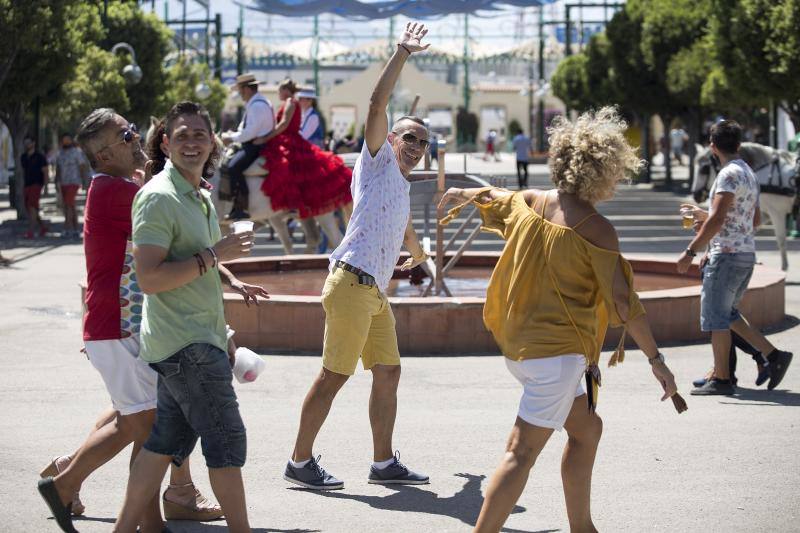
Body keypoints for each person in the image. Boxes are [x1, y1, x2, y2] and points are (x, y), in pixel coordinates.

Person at [438, 107, 683, 533]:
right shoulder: (597, 228)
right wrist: (656, 360)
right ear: (607, 171)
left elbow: (495, 199)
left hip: (524, 348)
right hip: (557, 357)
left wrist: (461, 193)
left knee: (587, 430)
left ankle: (582, 527)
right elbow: (623, 302)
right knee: (520, 453)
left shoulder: (534, 200)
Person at [36, 109, 224, 533]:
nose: (135, 137)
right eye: (125, 135)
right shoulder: (116, 192)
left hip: (125, 323)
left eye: (133, 129)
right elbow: (175, 226)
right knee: (144, 422)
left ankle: (141, 516)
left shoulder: (122, 187)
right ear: (103, 155)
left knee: (143, 419)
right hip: (117, 324)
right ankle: (66, 485)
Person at [282, 22, 431, 491]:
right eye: (409, 138)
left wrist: (417, 258)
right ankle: (299, 461)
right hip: (351, 283)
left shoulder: (402, 186)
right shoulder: (375, 161)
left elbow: (402, 228)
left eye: (422, 143)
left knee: (388, 371)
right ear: (390, 139)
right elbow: (376, 104)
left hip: (375, 290)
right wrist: (403, 53)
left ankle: (384, 462)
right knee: (333, 376)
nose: (415, 147)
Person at [115, 101, 266, 533]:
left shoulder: (196, 194)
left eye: (199, 134)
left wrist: (230, 277)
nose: (192, 142)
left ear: (213, 142)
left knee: (165, 442)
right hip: (188, 345)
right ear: (165, 143)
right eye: (181, 135)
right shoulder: (159, 197)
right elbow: (150, 277)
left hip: (190, 340)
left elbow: (195, 258)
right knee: (226, 441)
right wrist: (215, 254)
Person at [677, 120, 793, 395]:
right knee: (727, 315)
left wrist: (690, 251)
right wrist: (708, 218)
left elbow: (718, 219)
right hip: (744, 254)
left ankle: (723, 379)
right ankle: (772, 356)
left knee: (716, 318)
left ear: (712, 147)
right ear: (738, 144)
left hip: (726, 256)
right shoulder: (748, 173)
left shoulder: (728, 175)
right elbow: (751, 220)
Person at [255, 78, 352, 220]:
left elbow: (283, 124)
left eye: (280, 90)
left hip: (291, 140)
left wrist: (265, 138)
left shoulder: (291, 103)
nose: (278, 93)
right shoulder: (292, 103)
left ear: (286, 91)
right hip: (288, 138)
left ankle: (292, 204)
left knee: (286, 167)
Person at [221, 73, 275, 220]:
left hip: (256, 145)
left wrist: (230, 137)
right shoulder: (255, 103)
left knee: (233, 167)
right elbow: (246, 129)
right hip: (252, 142)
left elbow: (251, 132)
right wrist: (233, 134)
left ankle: (241, 207)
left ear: (247, 89)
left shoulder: (257, 106)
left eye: (240, 91)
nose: (240, 94)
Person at [55, 133, 90, 239]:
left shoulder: (76, 152)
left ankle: (67, 228)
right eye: (64, 140)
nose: (66, 142)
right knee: (70, 205)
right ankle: (75, 229)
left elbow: (82, 166)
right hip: (63, 182)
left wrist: (84, 181)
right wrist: (56, 180)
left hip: (74, 181)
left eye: (68, 140)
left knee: (68, 204)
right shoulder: (60, 153)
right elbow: (58, 168)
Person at [20, 136, 49, 239]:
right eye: (25, 143)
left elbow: (45, 171)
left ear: (33, 143)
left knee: (32, 207)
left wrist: (46, 186)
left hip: (37, 184)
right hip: (27, 185)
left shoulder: (40, 157)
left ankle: (30, 231)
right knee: (30, 208)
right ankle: (43, 227)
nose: (27, 145)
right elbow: (24, 171)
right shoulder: (23, 157)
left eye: (29, 142)